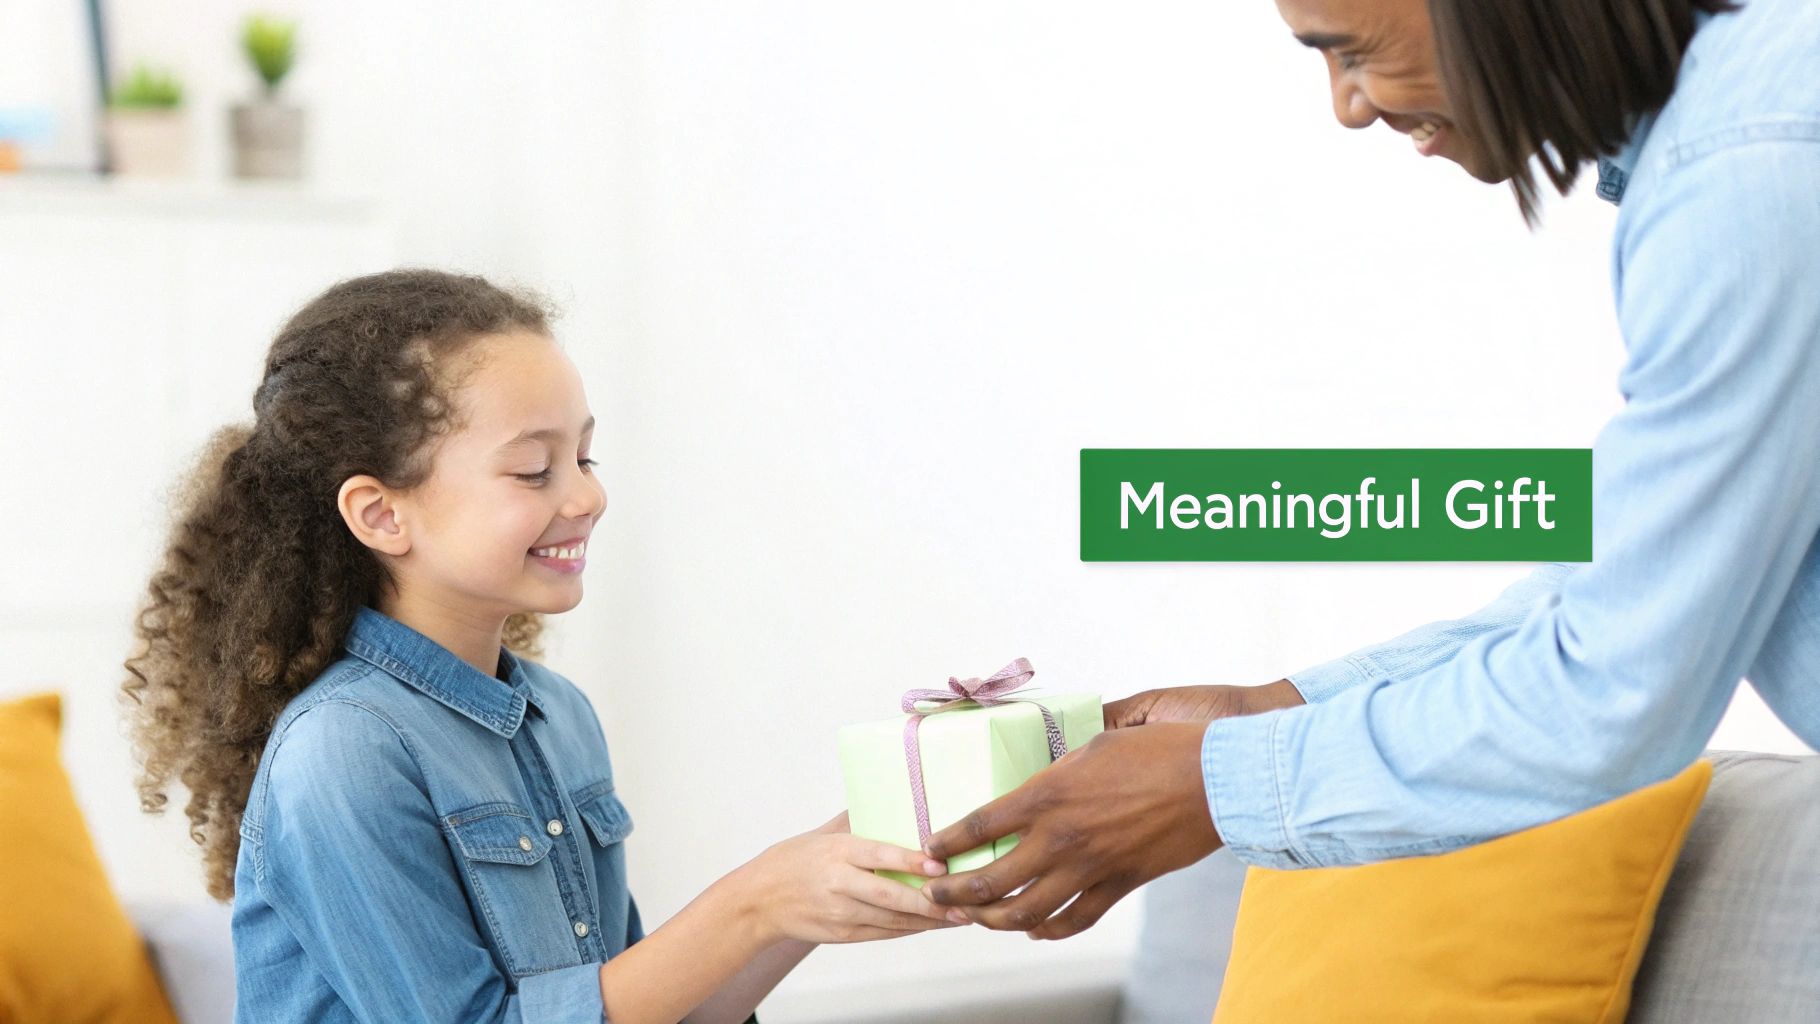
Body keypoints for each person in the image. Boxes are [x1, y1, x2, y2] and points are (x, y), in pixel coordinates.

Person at [919, 0, 1820, 941]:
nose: (1347, 107)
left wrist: (1214, 785)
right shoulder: (1744, 132)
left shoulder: (1749, 165)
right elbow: (1635, 580)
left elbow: (1610, 691)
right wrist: (1274, 712)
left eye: (1349, 52)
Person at [122, 270, 955, 1023]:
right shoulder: (343, 751)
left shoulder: (559, 717)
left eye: (584, 457)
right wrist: (753, 903)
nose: (588, 496)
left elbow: (645, 1009)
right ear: (381, 514)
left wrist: (833, 865)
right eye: (533, 470)